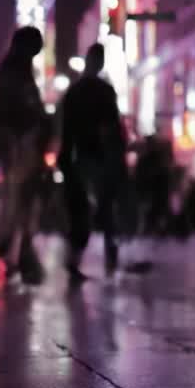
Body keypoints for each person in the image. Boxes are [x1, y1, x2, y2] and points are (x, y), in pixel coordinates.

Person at [0, 26, 46, 284]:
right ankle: (16, 250)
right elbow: (23, 109)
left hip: (14, 142)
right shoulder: (15, 74)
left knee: (18, 195)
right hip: (17, 142)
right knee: (20, 196)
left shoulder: (9, 71)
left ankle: (13, 249)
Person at [60, 42, 129, 280]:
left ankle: (75, 258)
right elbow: (114, 127)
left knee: (82, 209)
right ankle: (110, 254)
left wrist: (64, 157)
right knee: (104, 207)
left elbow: (66, 130)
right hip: (100, 157)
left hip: (81, 157)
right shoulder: (104, 91)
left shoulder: (74, 91)